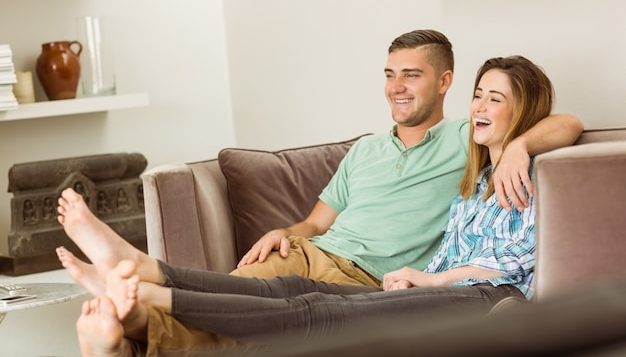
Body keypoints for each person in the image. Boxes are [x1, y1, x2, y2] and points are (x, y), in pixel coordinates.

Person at [62, 54, 561, 357]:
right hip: (405, 282)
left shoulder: (528, 169)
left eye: (495, 99)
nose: (479, 106)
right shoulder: (475, 179)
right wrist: (293, 232)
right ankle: (144, 276)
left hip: (487, 299)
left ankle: (147, 303)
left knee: (309, 311)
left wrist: (521, 146)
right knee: (290, 288)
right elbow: (320, 221)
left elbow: (513, 263)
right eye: (480, 95)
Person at [229, 29, 582, 286]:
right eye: (390, 76)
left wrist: (519, 148)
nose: (396, 87)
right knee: (214, 302)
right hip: (304, 252)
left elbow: (567, 123)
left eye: (411, 76)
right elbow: (316, 225)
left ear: (444, 82)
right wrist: (282, 233)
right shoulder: (364, 149)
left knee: (226, 319)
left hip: (360, 281)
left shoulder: (469, 138)